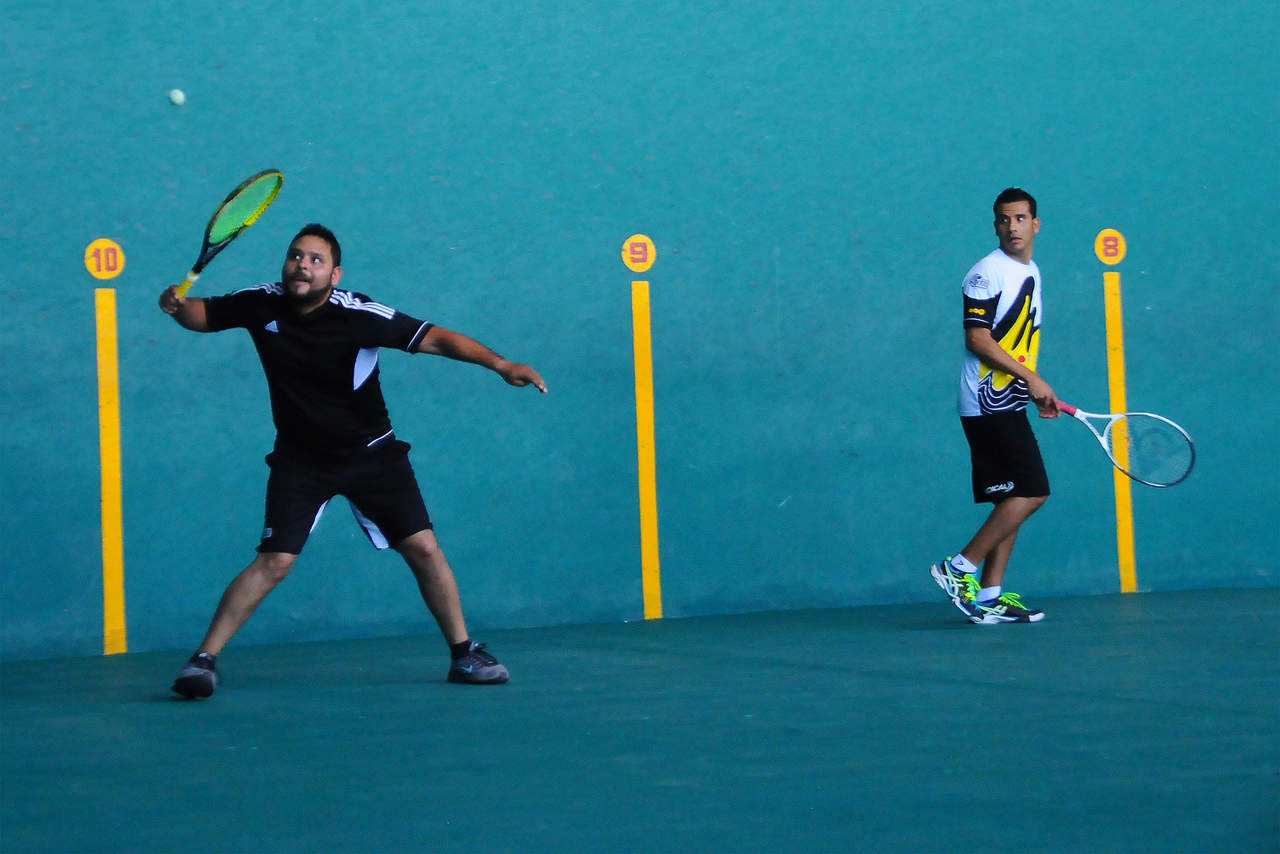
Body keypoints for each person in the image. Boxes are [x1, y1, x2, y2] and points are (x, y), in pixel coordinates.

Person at [160, 223, 547, 697]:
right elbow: (202, 315)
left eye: (316, 260)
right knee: (274, 561)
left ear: (335, 274)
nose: (303, 265)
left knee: (424, 549)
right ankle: (203, 662)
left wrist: (502, 365)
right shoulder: (259, 302)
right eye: (296, 256)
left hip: (373, 456)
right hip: (301, 461)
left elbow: (437, 338)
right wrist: (178, 307)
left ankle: (464, 654)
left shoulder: (361, 314)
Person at [930, 188, 1059, 623]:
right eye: (1004, 220)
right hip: (986, 404)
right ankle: (958, 568)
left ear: (1035, 224)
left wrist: (1030, 390)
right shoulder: (986, 273)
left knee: (1010, 499)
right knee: (1033, 491)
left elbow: (1017, 339)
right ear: (996, 225)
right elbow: (978, 338)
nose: (1013, 227)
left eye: (1021, 218)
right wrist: (1033, 378)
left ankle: (989, 595)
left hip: (1008, 400)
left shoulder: (1031, 270)